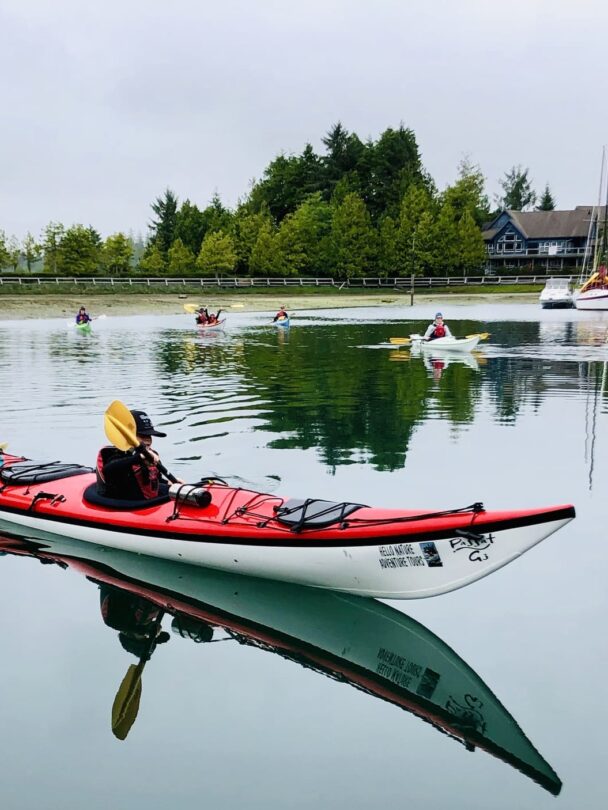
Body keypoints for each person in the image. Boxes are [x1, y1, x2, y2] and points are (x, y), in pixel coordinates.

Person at [96, 410, 177, 500]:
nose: (148, 441)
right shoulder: (117, 455)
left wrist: (168, 483)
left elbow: (155, 481)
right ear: (127, 437)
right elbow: (108, 470)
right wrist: (139, 458)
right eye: (142, 436)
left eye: (149, 436)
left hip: (146, 501)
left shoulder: (152, 455)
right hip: (124, 504)